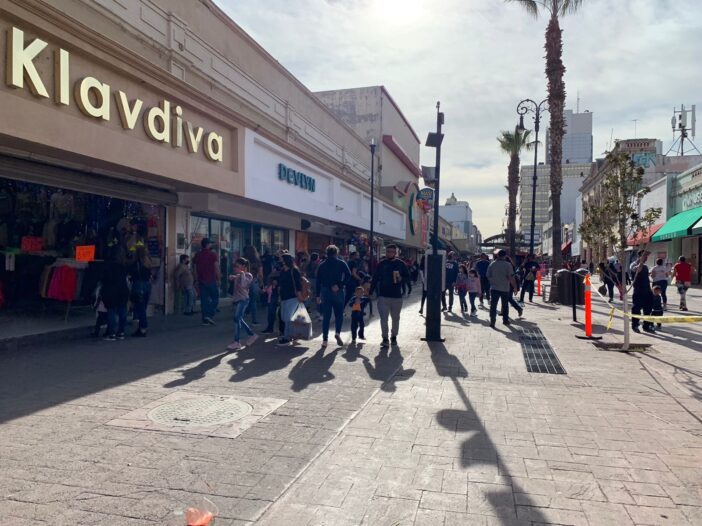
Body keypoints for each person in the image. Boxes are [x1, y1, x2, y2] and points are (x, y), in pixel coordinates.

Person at [370, 244, 410, 348]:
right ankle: (385, 338)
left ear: (395, 253)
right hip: (383, 296)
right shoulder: (381, 264)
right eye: (388, 251)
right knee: (384, 319)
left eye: (392, 251)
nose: (389, 253)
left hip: (397, 297)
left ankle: (394, 337)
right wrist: (370, 292)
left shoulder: (401, 264)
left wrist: (401, 279)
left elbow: (408, 277)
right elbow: (375, 278)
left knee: (395, 319)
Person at [316, 245, 352, 347]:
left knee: (326, 317)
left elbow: (318, 281)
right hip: (338, 291)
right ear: (337, 253)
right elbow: (348, 275)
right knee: (339, 315)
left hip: (325, 291)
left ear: (327, 253)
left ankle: (325, 340)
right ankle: (337, 333)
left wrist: (318, 295)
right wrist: (340, 285)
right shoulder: (341, 263)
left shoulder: (322, 265)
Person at [227, 257, 258, 350]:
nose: (235, 268)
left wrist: (242, 274)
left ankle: (237, 341)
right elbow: (235, 282)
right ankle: (251, 335)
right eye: (234, 266)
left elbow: (244, 285)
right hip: (238, 300)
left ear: (243, 266)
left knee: (237, 318)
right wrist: (233, 277)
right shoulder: (239, 275)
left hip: (243, 300)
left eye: (237, 266)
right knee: (238, 319)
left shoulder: (248, 275)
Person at [100, 248, 129, 341]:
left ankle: (112, 333)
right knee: (122, 312)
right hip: (122, 290)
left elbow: (104, 279)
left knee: (111, 312)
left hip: (111, 290)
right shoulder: (123, 266)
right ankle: (121, 332)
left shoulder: (108, 266)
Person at [486, 249, 518, 328]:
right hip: (505, 288)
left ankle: (492, 321)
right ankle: (505, 320)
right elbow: (511, 277)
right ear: (505, 256)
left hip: (494, 288)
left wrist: (493, 281)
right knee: (505, 305)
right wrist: (515, 287)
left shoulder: (492, 264)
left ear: (497, 255)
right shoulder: (508, 265)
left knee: (493, 305)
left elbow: (488, 275)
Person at [127, 245, 154, 337]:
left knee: (140, 308)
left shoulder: (136, 263)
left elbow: (131, 274)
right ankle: (141, 328)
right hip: (147, 285)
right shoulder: (148, 263)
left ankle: (143, 328)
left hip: (138, 285)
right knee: (143, 308)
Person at [193, 238, 220, 326]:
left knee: (204, 300)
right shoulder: (212, 255)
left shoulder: (198, 255)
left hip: (201, 280)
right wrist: (218, 278)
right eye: (210, 243)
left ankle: (205, 319)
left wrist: (196, 280)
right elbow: (216, 267)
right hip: (211, 280)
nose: (211, 245)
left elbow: (194, 269)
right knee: (215, 298)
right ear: (208, 244)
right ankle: (209, 315)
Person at [277, 253, 303, 345]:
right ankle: (293, 335)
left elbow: (298, 284)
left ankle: (287, 337)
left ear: (286, 261)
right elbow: (280, 284)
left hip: (292, 297)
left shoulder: (294, 271)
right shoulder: (282, 271)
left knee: (288, 317)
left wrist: (299, 296)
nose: (280, 261)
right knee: (284, 317)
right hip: (284, 297)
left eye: (282, 260)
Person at [630, 250, 655, 334]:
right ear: (640, 256)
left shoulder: (645, 266)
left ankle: (646, 326)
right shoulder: (633, 264)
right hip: (638, 291)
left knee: (648, 310)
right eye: (645, 256)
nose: (646, 258)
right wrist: (640, 261)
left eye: (647, 256)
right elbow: (637, 270)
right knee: (636, 309)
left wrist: (650, 290)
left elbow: (646, 278)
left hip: (647, 291)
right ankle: (635, 325)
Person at [243, 246, 263, 325]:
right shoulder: (257, 261)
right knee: (253, 301)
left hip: (244, 281)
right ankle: (254, 320)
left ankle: (242, 317)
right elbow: (260, 273)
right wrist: (261, 283)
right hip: (253, 280)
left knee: (244, 300)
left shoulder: (243, 260)